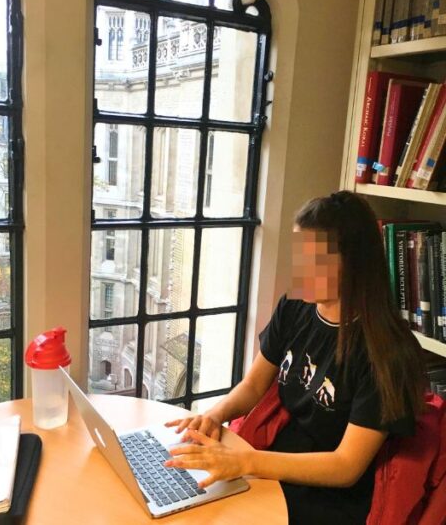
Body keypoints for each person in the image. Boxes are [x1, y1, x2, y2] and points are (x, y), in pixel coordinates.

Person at [163, 191, 429, 524]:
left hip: (328, 496)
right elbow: (253, 385)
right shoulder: (295, 309)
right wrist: (214, 416)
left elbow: (346, 466)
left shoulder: (387, 353)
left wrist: (246, 462)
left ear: (355, 262)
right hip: (273, 464)